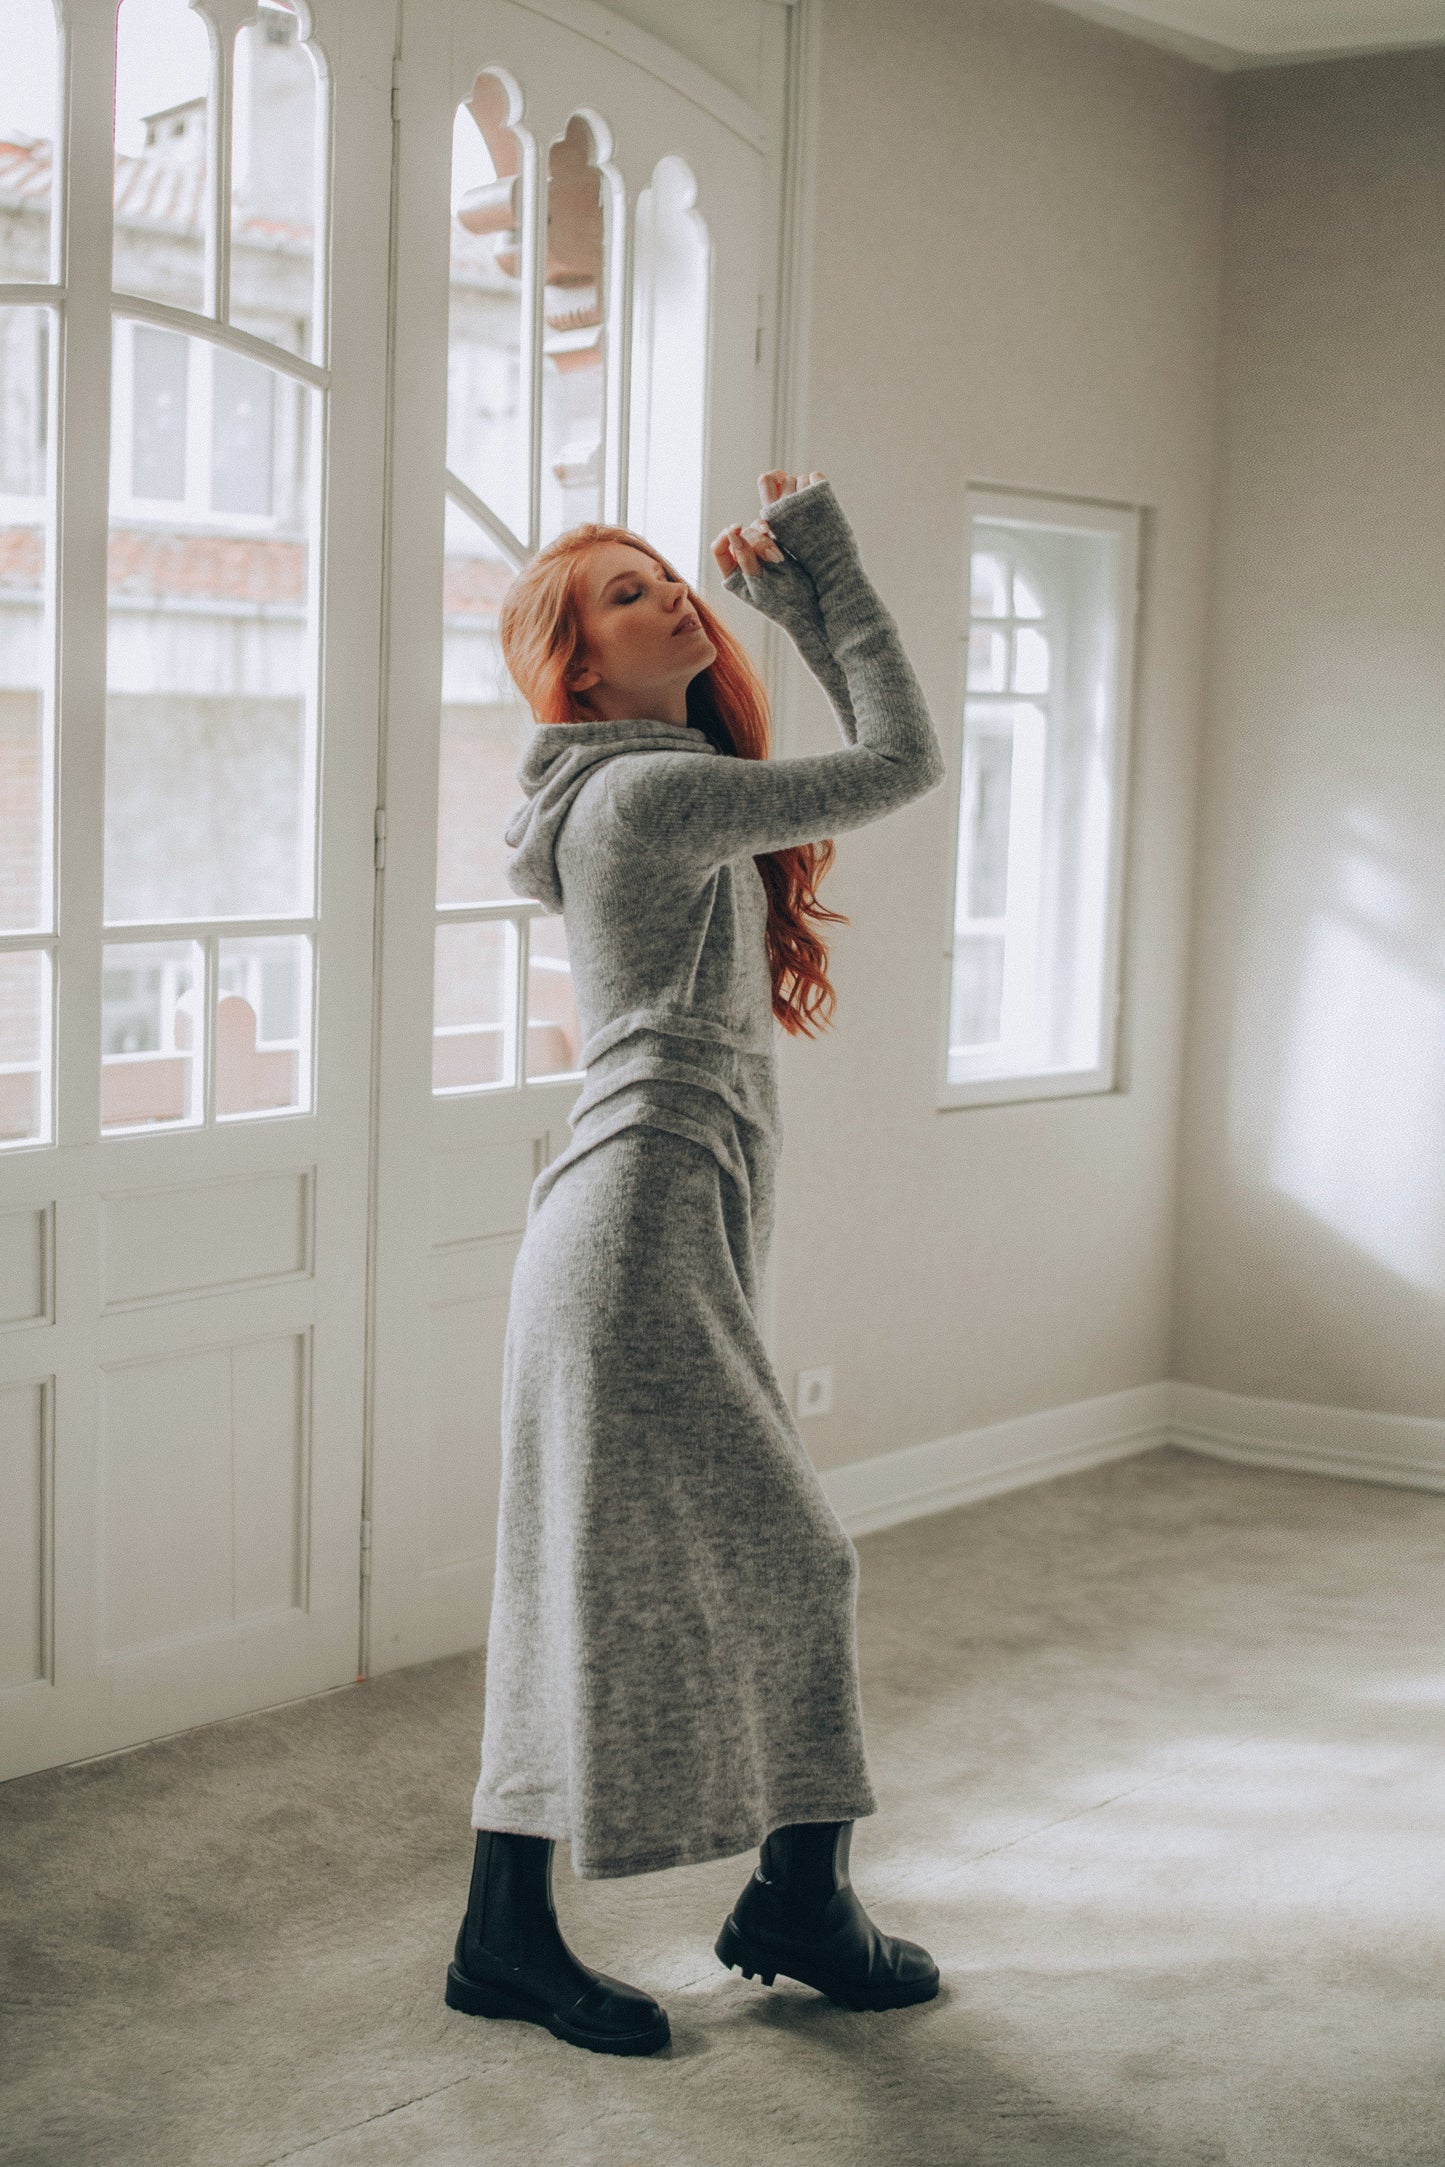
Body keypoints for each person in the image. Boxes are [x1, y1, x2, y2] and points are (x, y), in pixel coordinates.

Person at [443, 469, 946, 2056]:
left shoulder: (644, 782)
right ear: (576, 668)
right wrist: (835, 572)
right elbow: (901, 761)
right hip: (633, 1223)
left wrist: (783, 607)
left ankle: (500, 1935)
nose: (666, 594)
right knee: (800, 1559)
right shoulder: (646, 798)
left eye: (664, 575)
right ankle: (800, 1897)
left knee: (563, 1577)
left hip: (635, 1218)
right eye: (622, 593)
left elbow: (828, 769)